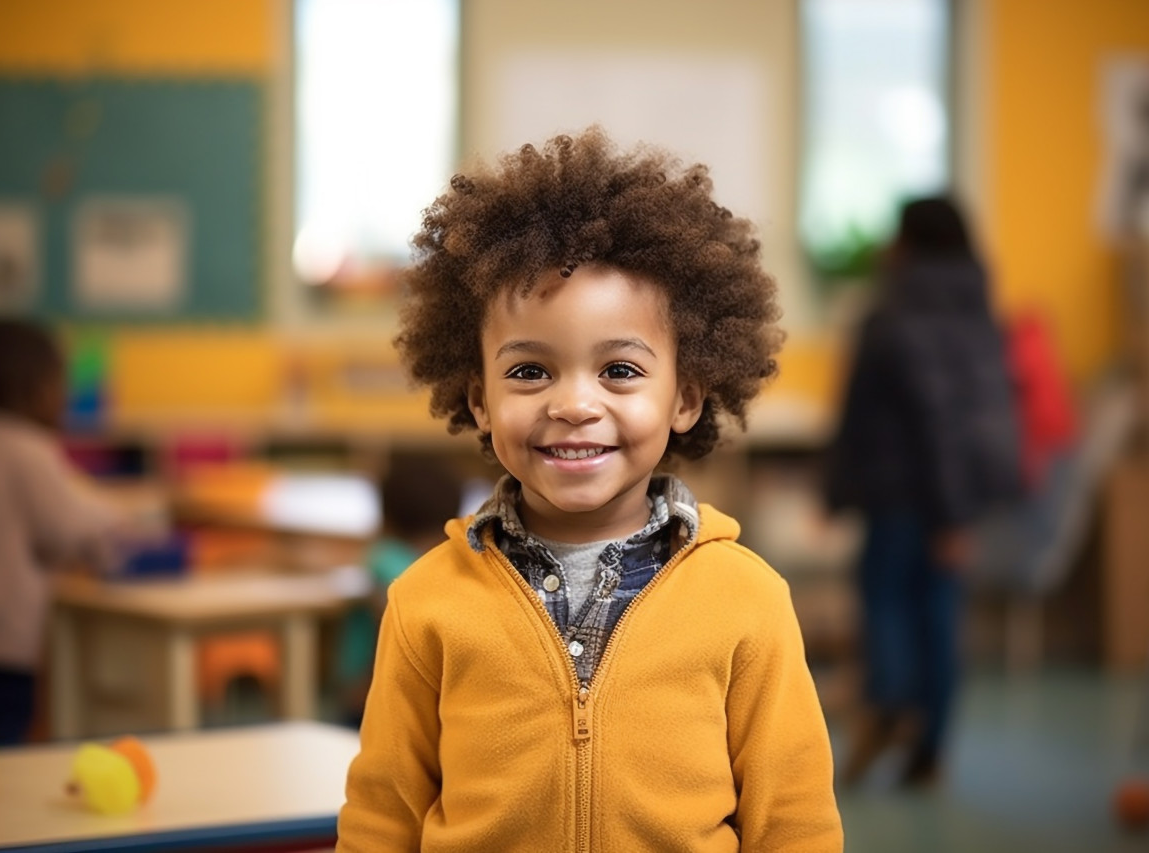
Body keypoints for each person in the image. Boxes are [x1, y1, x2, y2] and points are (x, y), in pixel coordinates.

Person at [336, 128, 842, 852]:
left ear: (686, 397)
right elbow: (382, 814)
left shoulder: (749, 600)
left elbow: (794, 821)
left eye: (621, 371)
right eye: (530, 371)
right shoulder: (425, 603)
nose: (574, 403)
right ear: (478, 399)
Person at [823, 196, 1021, 788]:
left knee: (885, 601)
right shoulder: (981, 313)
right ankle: (929, 751)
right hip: (954, 495)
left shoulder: (891, 313)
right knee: (940, 613)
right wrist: (960, 513)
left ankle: (887, 706)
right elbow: (981, 417)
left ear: (907, 244)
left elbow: (882, 415)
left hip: (897, 493)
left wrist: (834, 490)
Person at [0, 317, 153, 746]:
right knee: (4, 733)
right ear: (39, 389)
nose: (65, 399)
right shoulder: (32, 452)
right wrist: (116, 517)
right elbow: (64, 526)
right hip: (5, 635)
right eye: (62, 385)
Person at [332, 452, 464, 728]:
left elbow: (388, 624)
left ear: (386, 513)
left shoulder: (384, 558)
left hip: (370, 695)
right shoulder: (454, 562)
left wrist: (364, 684)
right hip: (432, 701)